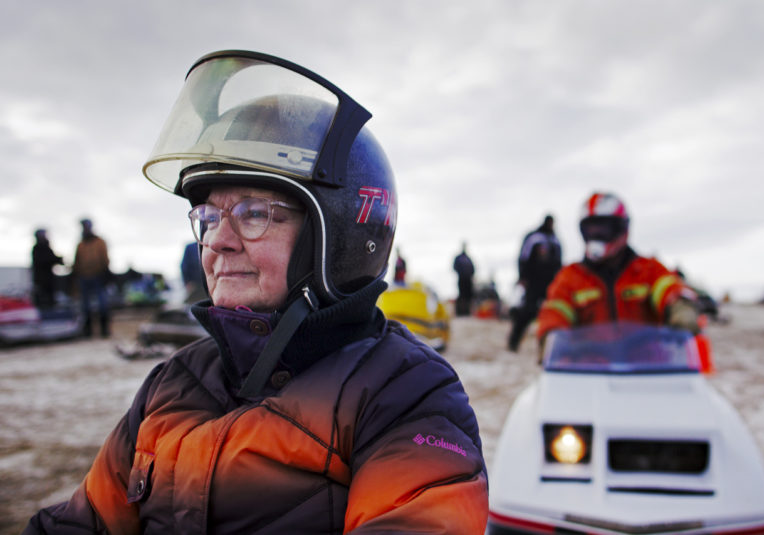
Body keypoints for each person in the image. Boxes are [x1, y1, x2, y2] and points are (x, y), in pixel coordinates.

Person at [25, 50, 487, 534]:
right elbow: (85, 521)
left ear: (336, 241)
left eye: (253, 213)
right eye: (208, 217)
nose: (218, 240)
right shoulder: (174, 382)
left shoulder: (405, 391)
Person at [536, 192, 700, 349]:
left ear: (622, 228)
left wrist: (681, 308)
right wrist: (550, 336)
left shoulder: (648, 270)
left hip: (648, 369)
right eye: (591, 229)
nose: (596, 235)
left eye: (603, 228)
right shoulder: (570, 277)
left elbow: (670, 289)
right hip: (588, 371)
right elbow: (555, 310)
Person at [507, 215, 562, 351]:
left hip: (550, 283)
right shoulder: (534, 237)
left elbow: (559, 261)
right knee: (526, 312)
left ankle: (551, 347)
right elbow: (523, 257)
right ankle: (513, 342)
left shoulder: (555, 240)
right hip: (533, 282)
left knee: (553, 312)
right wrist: (523, 277)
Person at [73, 218, 111, 337]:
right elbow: (77, 261)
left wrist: (104, 273)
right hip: (84, 277)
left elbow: (104, 258)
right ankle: (88, 331)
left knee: (102, 304)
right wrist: (76, 274)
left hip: (98, 276)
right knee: (85, 305)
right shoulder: (80, 245)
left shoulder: (100, 242)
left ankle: (104, 330)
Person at [30, 228, 64, 309]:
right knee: (42, 299)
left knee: (50, 298)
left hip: (49, 279)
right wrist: (56, 259)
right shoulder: (36, 248)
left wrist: (59, 260)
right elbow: (43, 260)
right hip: (41, 279)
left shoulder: (47, 247)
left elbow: (52, 259)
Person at [453, 242, 475, 316]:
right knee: (462, 295)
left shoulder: (468, 258)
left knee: (468, 295)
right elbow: (454, 267)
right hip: (462, 278)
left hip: (468, 279)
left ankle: (467, 312)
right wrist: (461, 272)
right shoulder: (459, 258)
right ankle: (460, 312)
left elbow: (473, 269)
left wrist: (470, 275)